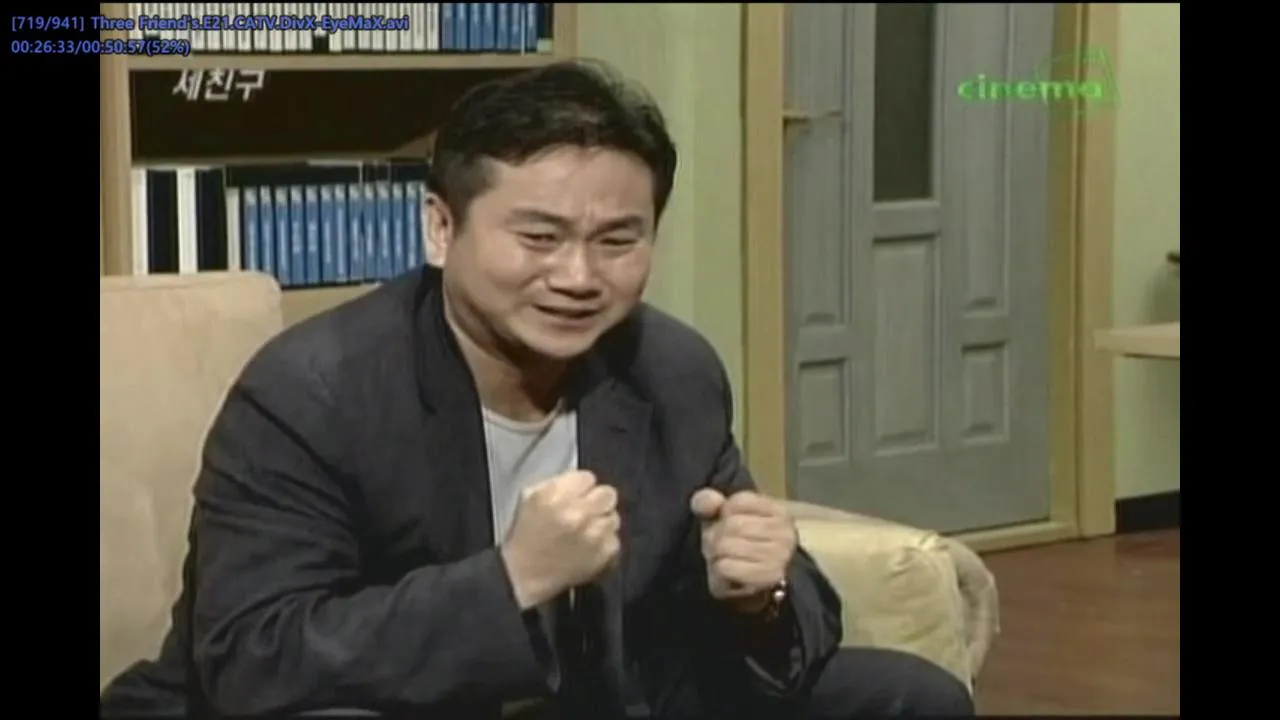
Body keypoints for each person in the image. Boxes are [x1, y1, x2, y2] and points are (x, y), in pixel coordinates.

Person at [99, 60, 974, 719]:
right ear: (441, 228)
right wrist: (513, 578)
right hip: (383, 703)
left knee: (908, 696)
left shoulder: (670, 370)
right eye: (540, 237)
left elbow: (749, 608)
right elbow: (254, 654)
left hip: (596, 699)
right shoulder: (312, 392)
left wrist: (762, 595)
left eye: (618, 240)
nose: (579, 277)